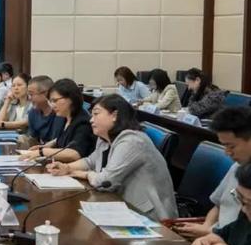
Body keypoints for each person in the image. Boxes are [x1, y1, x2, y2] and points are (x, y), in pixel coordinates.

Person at [47, 94, 177, 221]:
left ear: (114, 115)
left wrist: (81, 174)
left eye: (96, 114)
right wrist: (67, 167)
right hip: (121, 206)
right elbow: (90, 161)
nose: (91, 120)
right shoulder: (105, 138)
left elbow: (106, 181)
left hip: (149, 216)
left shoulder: (132, 141)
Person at [174, 107, 251, 239]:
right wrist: (207, 226)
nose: (227, 153)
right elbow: (219, 205)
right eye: (224, 146)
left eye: (231, 146)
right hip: (216, 236)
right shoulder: (237, 166)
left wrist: (211, 233)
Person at [190, 164, 251, 245]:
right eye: (241, 199)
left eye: (249, 203)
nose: (243, 209)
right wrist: (203, 244)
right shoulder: (245, 217)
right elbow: (218, 239)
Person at [20, 78, 96, 163]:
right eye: (51, 101)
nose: (53, 105)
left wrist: (42, 152)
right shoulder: (63, 118)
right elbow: (64, 138)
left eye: (55, 101)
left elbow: (75, 153)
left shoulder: (83, 122)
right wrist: (46, 146)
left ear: (71, 98)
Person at [22, 75, 65, 148]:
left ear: (46, 94)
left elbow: (58, 142)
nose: (29, 98)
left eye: (31, 94)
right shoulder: (33, 113)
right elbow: (33, 140)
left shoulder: (60, 113)